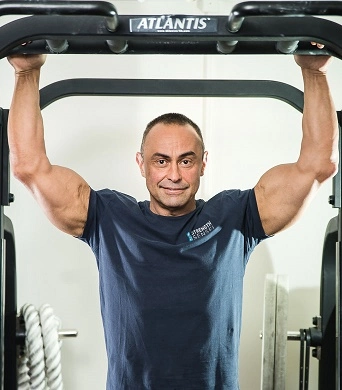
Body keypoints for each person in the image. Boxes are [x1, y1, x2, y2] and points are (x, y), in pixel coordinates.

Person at [7, 50, 338, 390]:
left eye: (186, 160)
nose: (174, 175)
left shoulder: (234, 217)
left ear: (203, 163)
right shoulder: (109, 218)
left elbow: (318, 165)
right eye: (161, 161)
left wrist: (314, 72)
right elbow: (29, 166)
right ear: (142, 164)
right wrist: (27, 71)